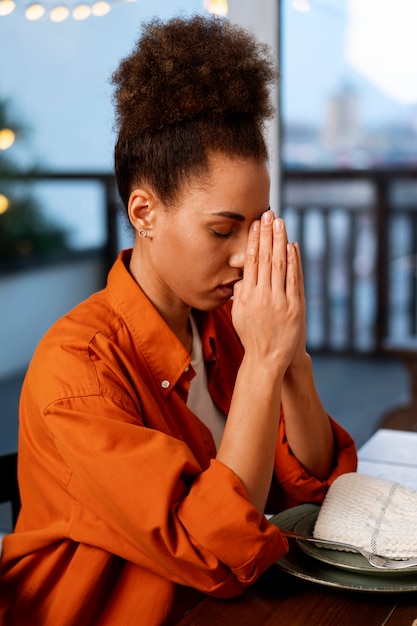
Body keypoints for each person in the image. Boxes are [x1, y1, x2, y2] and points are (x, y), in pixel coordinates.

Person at [0, 14, 357, 626]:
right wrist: (265, 362)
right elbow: (215, 552)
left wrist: (290, 358)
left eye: (257, 225)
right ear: (145, 211)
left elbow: (313, 490)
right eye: (222, 229)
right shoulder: (76, 372)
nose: (247, 256)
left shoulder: (222, 321)